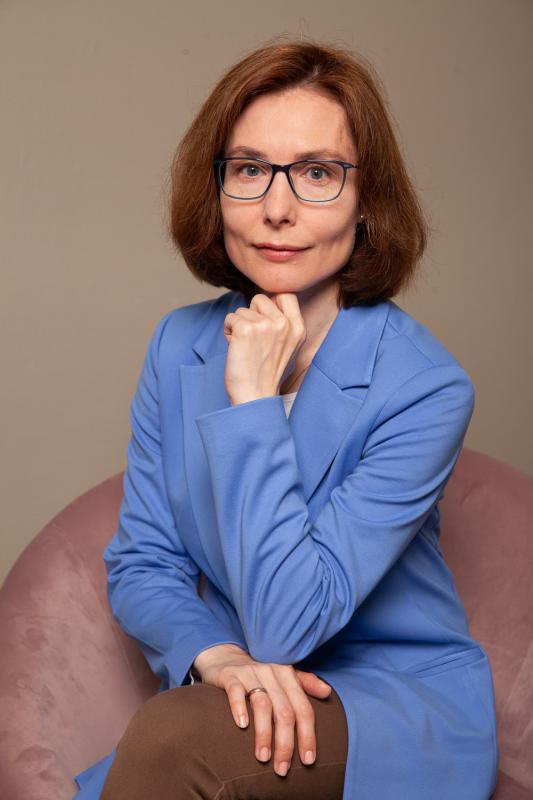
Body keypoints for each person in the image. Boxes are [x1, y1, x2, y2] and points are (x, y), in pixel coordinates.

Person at [73, 38, 498, 799]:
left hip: (385, 705)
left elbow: (286, 624)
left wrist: (254, 401)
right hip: (238, 687)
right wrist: (216, 656)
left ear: (368, 200)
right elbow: (144, 564)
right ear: (218, 189)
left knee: (172, 741)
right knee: (170, 737)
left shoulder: (425, 387)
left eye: (316, 173)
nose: (276, 208)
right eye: (249, 169)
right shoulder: (178, 345)